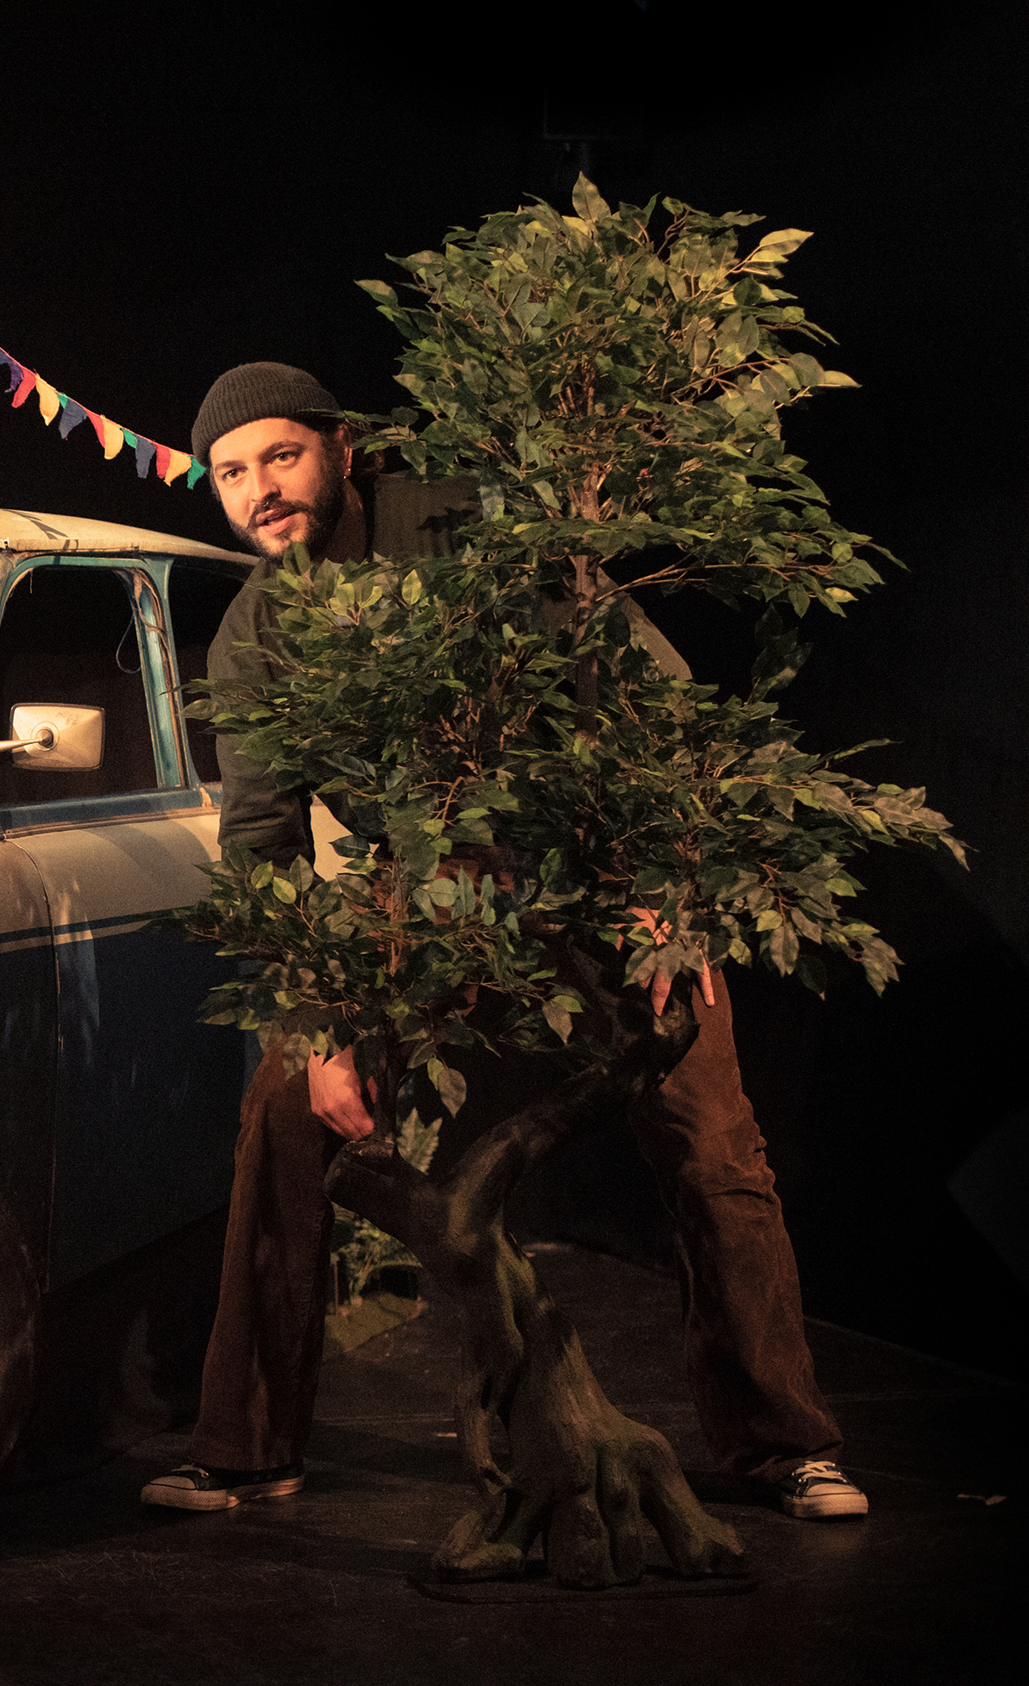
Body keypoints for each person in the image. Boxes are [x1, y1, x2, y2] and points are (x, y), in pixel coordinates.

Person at [139, 362, 865, 1522]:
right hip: (426, 886)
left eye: (280, 455)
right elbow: (265, 846)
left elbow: (652, 694)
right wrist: (321, 1024)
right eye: (230, 473)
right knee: (279, 1102)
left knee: (711, 1132)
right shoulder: (257, 631)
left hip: (591, 865)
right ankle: (249, 1444)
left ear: (341, 449)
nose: (258, 489)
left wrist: (667, 880)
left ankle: (783, 1442)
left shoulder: (463, 531)